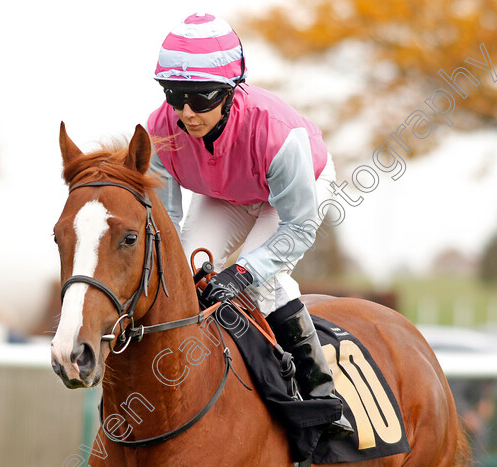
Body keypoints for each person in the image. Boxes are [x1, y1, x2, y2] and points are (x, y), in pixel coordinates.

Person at [147, 13, 352, 439]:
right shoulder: (159, 130)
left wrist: (242, 272)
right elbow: (166, 220)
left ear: (230, 90)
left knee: (262, 284)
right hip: (226, 193)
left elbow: (298, 228)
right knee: (186, 276)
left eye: (201, 98)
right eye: (176, 95)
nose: (187, 113)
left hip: (293, 194)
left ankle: (322, 399)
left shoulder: (277, 134)